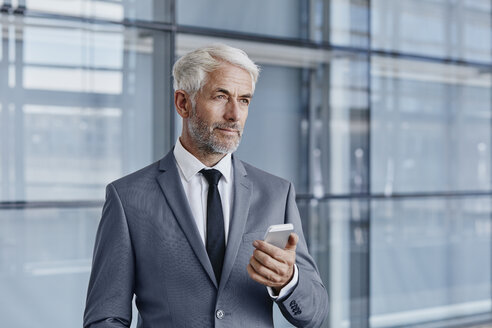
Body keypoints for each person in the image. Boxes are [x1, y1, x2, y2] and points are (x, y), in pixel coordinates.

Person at [83, 44, 329, 328]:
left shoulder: (277, 193)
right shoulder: (127, 198)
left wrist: (288, 281)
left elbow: (315, 315)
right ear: (183, 103)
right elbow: (104, 318)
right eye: (221, 96)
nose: (235, 114)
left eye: (245, 100)